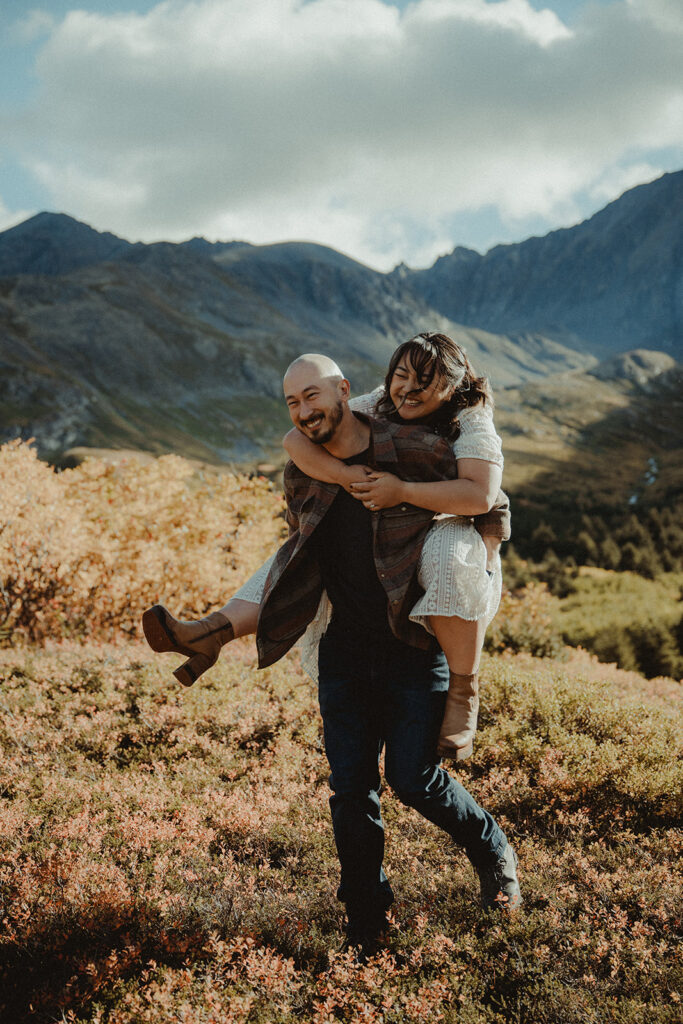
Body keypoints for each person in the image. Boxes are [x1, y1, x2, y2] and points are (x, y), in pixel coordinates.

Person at [144, 353, 521, 954]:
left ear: (346, 391)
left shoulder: (411, 445)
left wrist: (463, 514)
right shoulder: (310, 462)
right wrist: (343, 478)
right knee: (351, 791)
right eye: (294, 401)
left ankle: (493, 850)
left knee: (414, 778)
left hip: (414, 648)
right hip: (345, 650)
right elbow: (295, 485)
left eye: (313, 396)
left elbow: (484, 495)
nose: (305, 411)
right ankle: (367, 917)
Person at [144, 333, 508, 759]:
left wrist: (401, 490)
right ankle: (211, 632)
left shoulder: (472, 418)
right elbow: (294, 441)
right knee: (307, 549)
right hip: (396, 518)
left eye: (424, 380)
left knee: (444, 559)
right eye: (400, 376)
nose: (407, 389)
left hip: (456, 526)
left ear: (451, 383)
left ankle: (465, 692)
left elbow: (479, 496)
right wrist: (343, 475)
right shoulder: (380, 401)